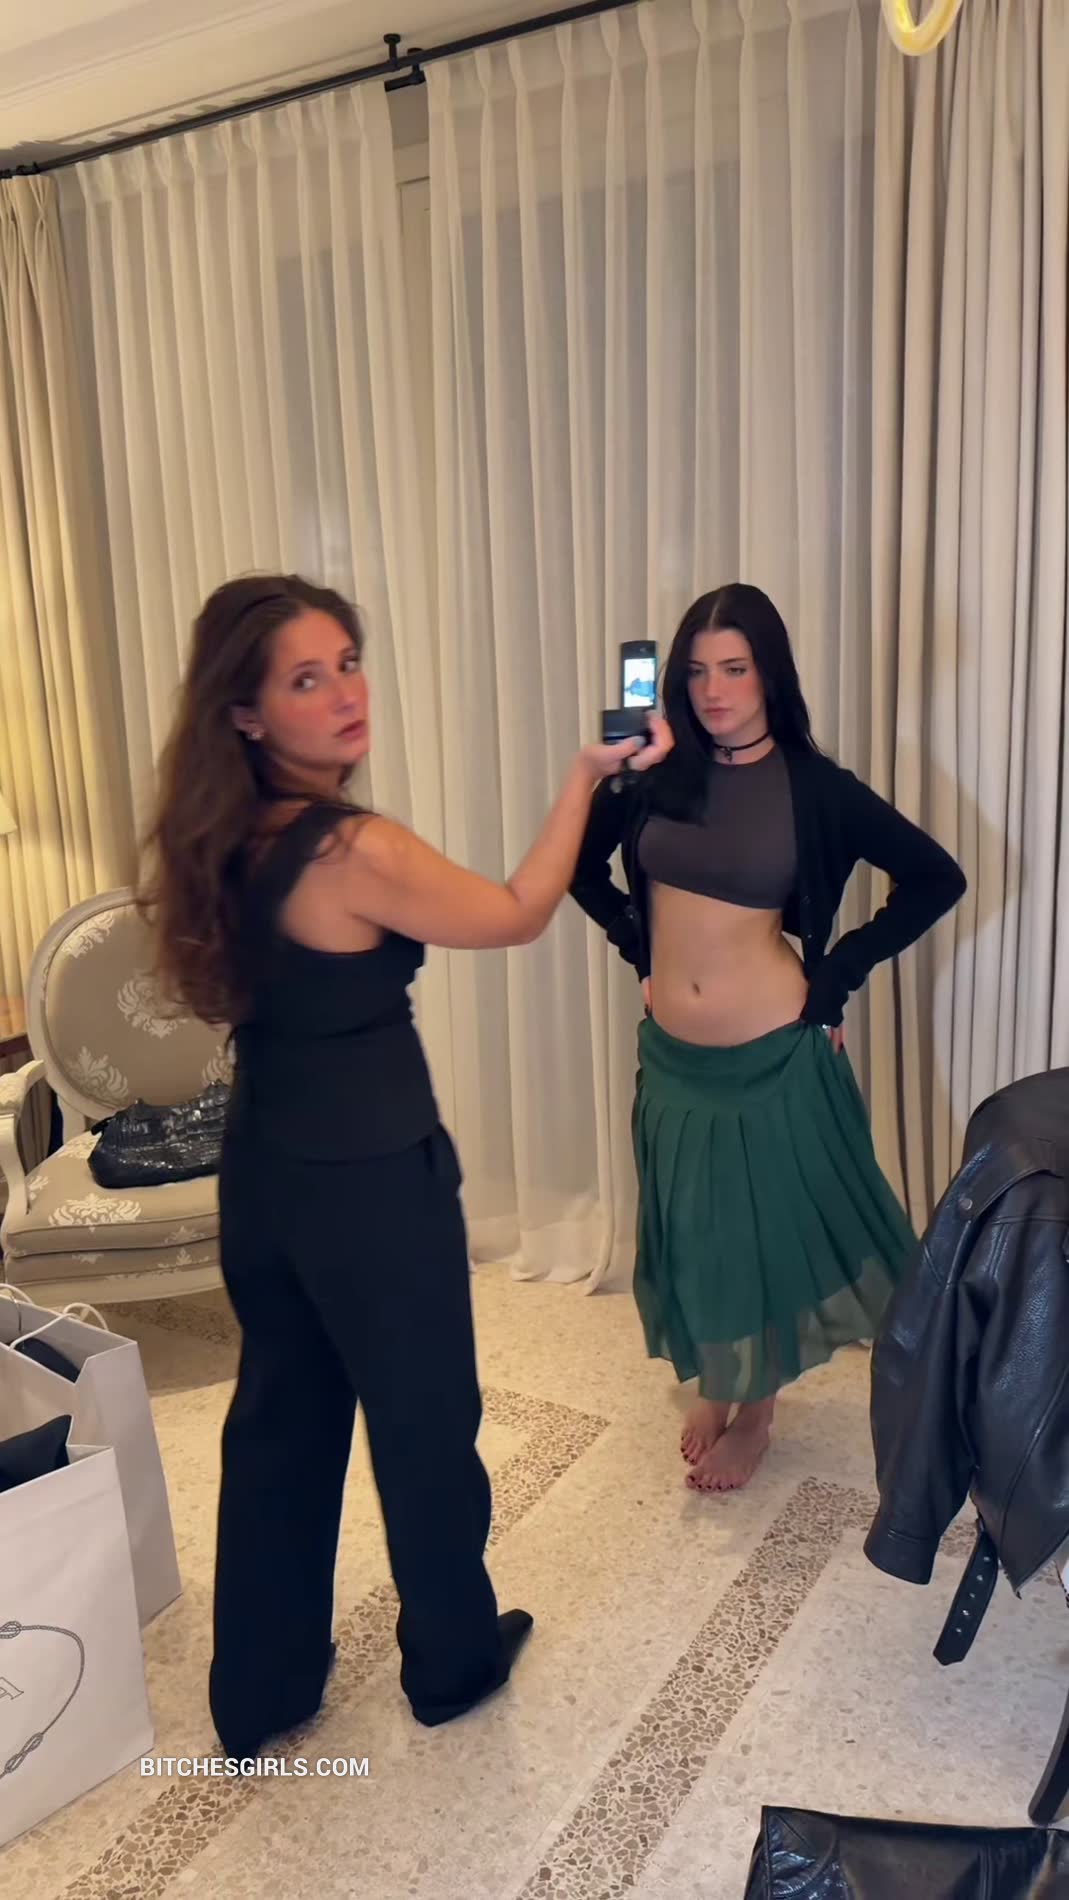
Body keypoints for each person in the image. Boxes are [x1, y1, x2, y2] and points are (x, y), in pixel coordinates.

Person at [137, 573, 672, 1756]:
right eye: (306, 677)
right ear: (245, 711)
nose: (346, 693)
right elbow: (518, 908)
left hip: (263, 1170)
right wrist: (584, 777)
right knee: (424, 1419)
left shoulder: (215, 835)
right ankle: (450, 1661)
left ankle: (261, 1691)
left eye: (348, 661)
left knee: (280, 1422)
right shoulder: (350, 845)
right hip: (371, 1174)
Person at [569, 584, 966, 1494]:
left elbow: (935, 878)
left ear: (769, 675)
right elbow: (580, 870)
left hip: (772, 1051)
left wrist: (836, 977)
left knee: (762, 1233)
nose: (713, 691)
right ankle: (720, 1377)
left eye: (734, 669)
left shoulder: (813, 788)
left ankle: (755, 1410)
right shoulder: (653, 777)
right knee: (694, 1227)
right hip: (674, 1056)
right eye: (696, 671)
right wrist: (638, 947)